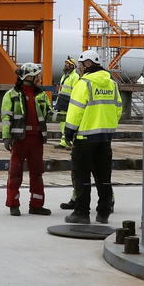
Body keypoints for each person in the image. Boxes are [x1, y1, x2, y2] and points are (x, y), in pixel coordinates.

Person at [61, 48, 120, 225]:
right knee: (104, 177)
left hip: (85, 138)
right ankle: (103, 213)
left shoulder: (84, 83)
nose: (79, 68)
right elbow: (118, 109)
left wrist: (69, 131)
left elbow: (76, 110)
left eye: (80, 65)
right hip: (104, 139)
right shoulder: (112, 84)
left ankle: (81, 213)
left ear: (87, 64)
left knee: (82, 177)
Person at [1, 62, 53, 216]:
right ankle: (13, 204)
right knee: (15, 173)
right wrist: (6, 137)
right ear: (29, 76)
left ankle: (36, 205)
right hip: (20, 140)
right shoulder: (11, 95)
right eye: (37, 75)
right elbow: (6, 118)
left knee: (37, 172)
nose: (39, 78)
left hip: (36, 140)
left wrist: (69, 116)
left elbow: (49, 114)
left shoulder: (41, 95)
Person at [55, 56, 81, 210]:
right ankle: (64, 141)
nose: (65, 65)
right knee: (62, 123)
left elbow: (76, 92)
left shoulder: (75, 77)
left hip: (70, 103)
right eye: (65, 63)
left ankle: (66, 141)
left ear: (72, 66)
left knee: (67, 123)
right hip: (63, 102)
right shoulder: (66, 76)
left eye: (67, 64)